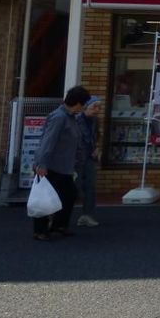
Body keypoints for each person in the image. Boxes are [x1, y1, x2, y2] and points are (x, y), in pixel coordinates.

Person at [32, 86, 91, 240]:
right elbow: (48, 141)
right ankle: (40, 230)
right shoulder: (59, 117)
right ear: (77, 103)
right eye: (83, 104)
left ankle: (59, 225)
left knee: (69, 194)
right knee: (45, 197)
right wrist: (42, 164)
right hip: (51, 166)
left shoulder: (71, 118)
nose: (84, 107)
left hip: (64, 166)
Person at [75, 97, 101, 227]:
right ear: (86, 107)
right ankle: (56, 216)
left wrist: (97, 147)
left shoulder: (95, 121)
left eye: (99, 107)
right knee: (74, 187)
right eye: (94, 107)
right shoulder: (76, 120)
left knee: (90, 186)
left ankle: (87, 215)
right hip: (76, 158)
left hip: (89, 157)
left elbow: (96, 136)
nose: (97, 110)